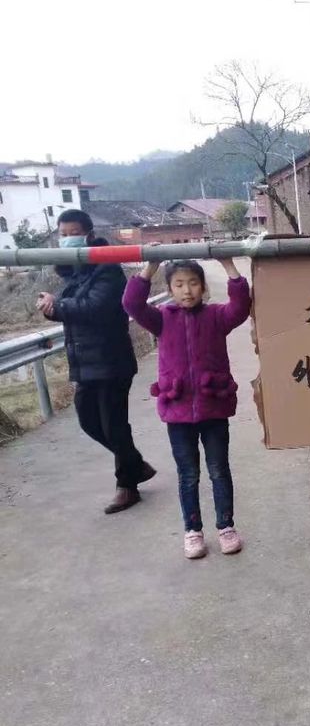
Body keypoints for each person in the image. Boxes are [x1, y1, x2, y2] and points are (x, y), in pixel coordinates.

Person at [123, 257, 251, 559]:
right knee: (188, 474)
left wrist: (228, 265)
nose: (187, 290)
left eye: (193, 283)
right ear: (169, 289)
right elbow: (132, 304)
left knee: (219, 470)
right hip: (178, 412)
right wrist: (150, 267)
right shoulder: (161, 319)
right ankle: (193, 531)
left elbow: (241, 307)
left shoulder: (216, 317)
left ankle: (226, 527)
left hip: (214, 407)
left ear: (203, 287)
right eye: (179, 284)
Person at [36, 209, 155, 513]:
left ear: (88, 235)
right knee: (88, 421)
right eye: (62, 235)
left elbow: (95, 307)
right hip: (84, 363)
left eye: (73, 233)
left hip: (112, 360)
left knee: (114, 426)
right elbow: (71, 309)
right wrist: (51, 306)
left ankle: (127, 486)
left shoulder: (107, 267)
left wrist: (58, 305)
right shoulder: (73, 272)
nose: (67, 239)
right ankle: (135, 464)